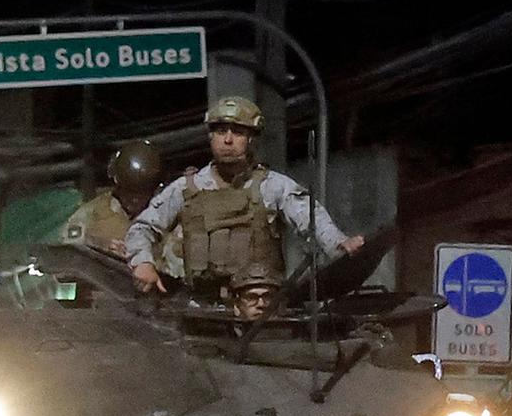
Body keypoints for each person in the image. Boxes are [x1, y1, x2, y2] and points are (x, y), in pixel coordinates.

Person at [125, 95, 363, 295]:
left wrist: (339, 244)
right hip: (200, 309)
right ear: (210, 136)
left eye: (237, 132)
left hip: (261, 311)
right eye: (220, 131)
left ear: (251, 139)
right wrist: (143, 261)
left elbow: (311, 219)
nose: (228, 139)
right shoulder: (186, 189)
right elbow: (142, 228)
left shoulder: (273, 186)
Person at [61, 140, 165, 258]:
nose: (134, 200)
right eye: (128, 192)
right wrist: (100, 246)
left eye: (141, 194)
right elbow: (69, 252)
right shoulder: (91, 215)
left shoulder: (167, 217)